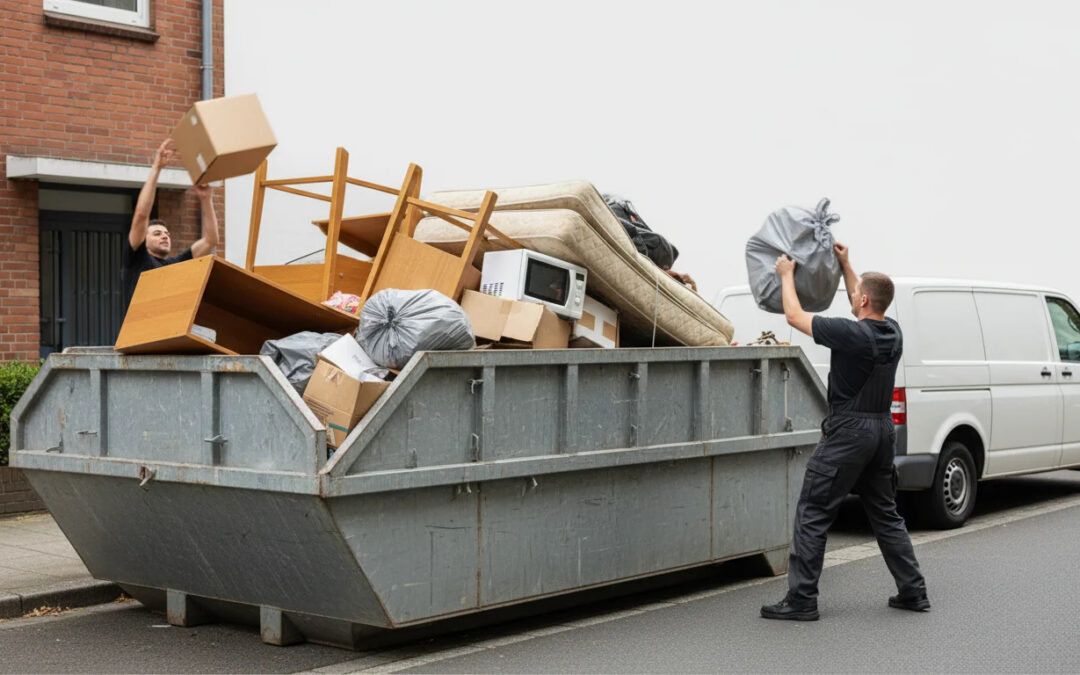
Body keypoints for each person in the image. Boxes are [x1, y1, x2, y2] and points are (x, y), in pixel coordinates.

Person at [760, 242, 928, 621]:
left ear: (864, 300)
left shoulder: (849, 334)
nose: (852, 296)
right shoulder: (894, 332)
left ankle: (801, 600)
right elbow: (865, 296)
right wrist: (847, 264)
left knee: (813, 511)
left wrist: (786, 275)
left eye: (855, 293)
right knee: (885, 513)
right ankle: (913, 591)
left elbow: (794, 316)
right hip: (882, 432)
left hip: (848, 434)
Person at [122, 138, 219, 312]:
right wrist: (157, 168)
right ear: (144, 240)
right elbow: (141, 215)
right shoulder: (137, 258)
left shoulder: (176, 264)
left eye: (166, 234)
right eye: (157, 233)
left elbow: (210, 240)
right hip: (140, 328)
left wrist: (206, 198)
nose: (164, 236)